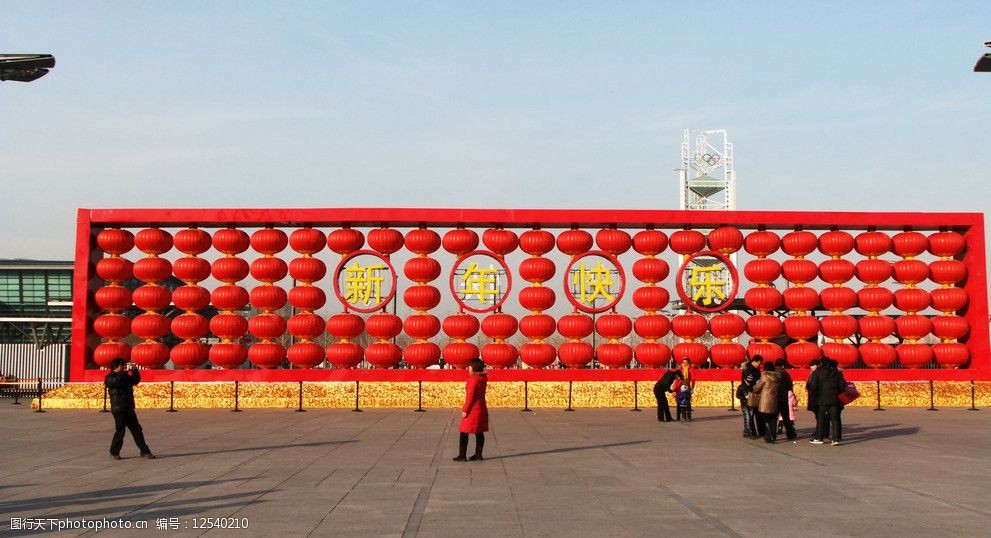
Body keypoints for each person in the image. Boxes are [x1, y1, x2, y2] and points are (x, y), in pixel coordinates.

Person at [104, 358, 154, 460]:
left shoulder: (125, 377)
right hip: (118, 409)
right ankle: (114, 452)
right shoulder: (110, 377)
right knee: (120, 431)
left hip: (128, 408)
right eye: (123, 365)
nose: (124, 367)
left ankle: (145, 451)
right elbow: (115, 381)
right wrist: (125, 373)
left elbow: (135, 380)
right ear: (117, 366)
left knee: (137, 430)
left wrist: (134, 371)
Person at [454, 358, 488, 462]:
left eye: (469, 366)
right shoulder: (483, 378)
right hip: (481, 407)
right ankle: (478, 455)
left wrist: (465, 410)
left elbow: (470, 397)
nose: (468, 368)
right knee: (479, 432)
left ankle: (462, 455)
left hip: (473, 409)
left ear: (473, 367)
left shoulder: (473, 380)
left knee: (464, 431)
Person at [808, 357, 846, 445]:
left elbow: (813, 386)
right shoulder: (837, 373)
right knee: (835, 418)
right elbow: (842, 386)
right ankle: (835, 439)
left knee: (821, 418)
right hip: (835, 399)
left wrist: (815, 393)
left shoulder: (817, 373)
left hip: (822, 399)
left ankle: (819, 438)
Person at [751, 361, 782, 443]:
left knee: (766, 419)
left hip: (765, 401)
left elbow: (757, 388)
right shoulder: (778, 376)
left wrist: (754, 388)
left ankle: (768, 435)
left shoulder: (764, 376)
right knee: (774, 419)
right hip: (775, 400)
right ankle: (773, 436)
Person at [738, 356, 762, 438]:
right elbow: (747, 383)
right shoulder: (747, 370)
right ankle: (750, 432)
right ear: (755, 361)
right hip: (747, 395)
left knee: (750, 414)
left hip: (754, 394)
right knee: (748, 415)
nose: (760, 365)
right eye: (759, 363)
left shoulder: (756, 370)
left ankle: (747, 431)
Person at [774, 358, 797, 440]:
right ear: (783, 365)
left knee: (773, 417)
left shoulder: (770, 372)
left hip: (772, 398)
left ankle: (773, 435)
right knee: (786, 417)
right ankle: (790, 434)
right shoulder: (785, 373)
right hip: (783, 398)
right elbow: (790, 386)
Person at [805, 359, 823, 440]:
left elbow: (814, 386)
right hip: (814, 397)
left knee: (819, 416)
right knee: (817, 415)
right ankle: (818, 431)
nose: (811, 367)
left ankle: (819, 432)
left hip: (817, 397)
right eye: (811, 365)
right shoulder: (812, 373)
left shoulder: (817, 373)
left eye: (813, 365)